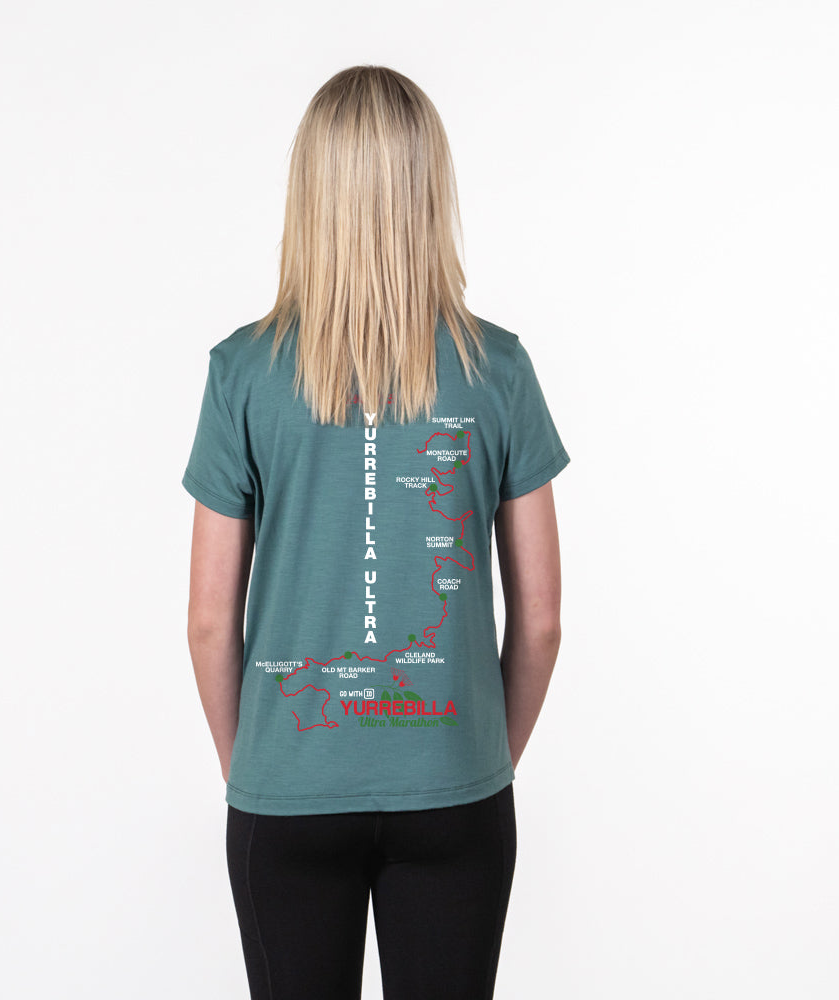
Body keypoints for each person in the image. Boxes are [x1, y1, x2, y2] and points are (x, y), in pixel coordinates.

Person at [182, 65, 569, 1000]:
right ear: (429, 192)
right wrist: (475, 762)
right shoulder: (499, 370)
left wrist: (262, 771)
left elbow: (207, 622)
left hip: (289, 787)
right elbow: (544, 621)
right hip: (453, 788)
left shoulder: (243, 373)